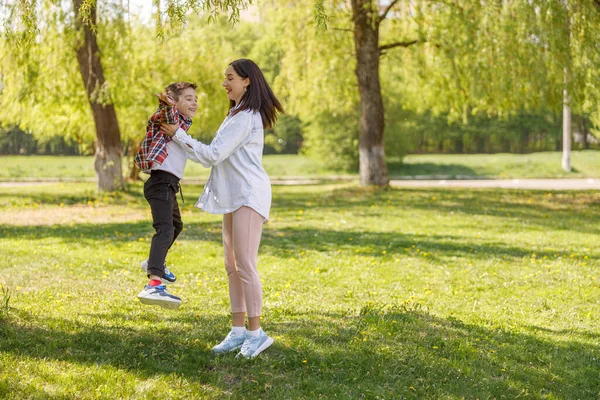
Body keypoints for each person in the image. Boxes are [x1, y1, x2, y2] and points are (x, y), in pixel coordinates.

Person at [161, 59, 283, 358]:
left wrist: (178, 134)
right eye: (225, 77)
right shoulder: (236, 113)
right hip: (234, 195)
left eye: (230, 77)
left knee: (245, 265)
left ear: (247, 81)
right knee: (231, 266)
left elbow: (213, 155)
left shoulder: (245, 116)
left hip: (248, 195)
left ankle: (256, 334)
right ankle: (239, 330)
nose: (225, 83)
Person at [135, 82, 198, 309]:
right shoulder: (163, 120)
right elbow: (167, 114)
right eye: (188, 98)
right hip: (160, 183)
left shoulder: (180, 126)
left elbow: (181, 126)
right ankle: (153, 283)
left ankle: (155, 262)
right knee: (165, 229)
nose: (194, 103)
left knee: (176, 226)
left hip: (169, 186)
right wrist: (167, 103)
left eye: (195, 99)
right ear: (174, 101)